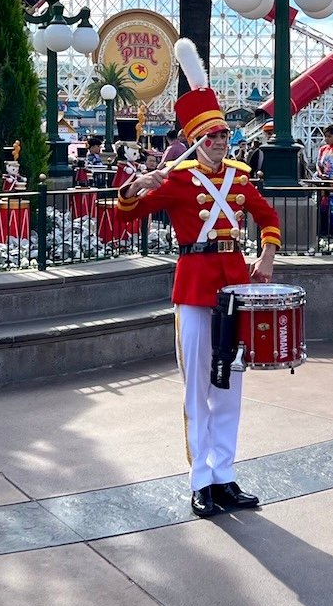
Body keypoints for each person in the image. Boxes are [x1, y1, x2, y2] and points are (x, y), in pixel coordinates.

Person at [117, 40, 280, 517]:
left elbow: (270, 218)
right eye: (210, 137)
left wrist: (267, 255)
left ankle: (225, 475)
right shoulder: (178, 178)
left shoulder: (240, 178)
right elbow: (130, 211)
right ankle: (200, 480)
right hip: (194, 285)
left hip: (235, 285)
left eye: (224, 135)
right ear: (194, 140)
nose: (219, 142)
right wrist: (136, 186)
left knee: (230, 383)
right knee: (197, 389)